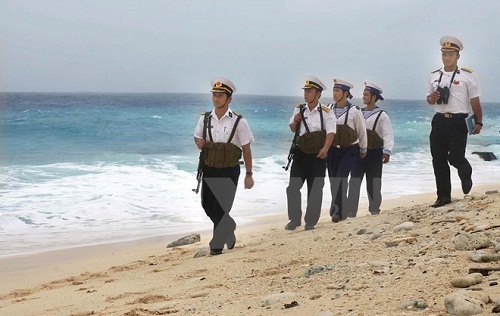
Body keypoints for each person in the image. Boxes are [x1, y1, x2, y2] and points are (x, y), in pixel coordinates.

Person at [193, 77, 255, 255]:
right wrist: (198, 142)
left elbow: (246, 149)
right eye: (214, 95)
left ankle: (217, 245)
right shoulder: (204, 119)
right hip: (209, 168)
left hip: (229, 170)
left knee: (222, 207)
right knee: (207, 205)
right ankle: (229, 226)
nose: (216, 98)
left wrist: (249, 174)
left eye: (220, 95)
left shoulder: (239, 121)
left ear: (229, 99)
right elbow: (197, 137)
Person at [426, 36, 483, 208]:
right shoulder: (435, 75)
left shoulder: (468, 76)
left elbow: (475, 102)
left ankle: (465, 171)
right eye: (444, 54)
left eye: (450, 54)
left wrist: (479, 122)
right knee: (438, 159)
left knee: (456, 157)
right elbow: (429, 100)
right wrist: (432, 97)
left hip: (458, 122)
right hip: (439, 121)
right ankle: (443, 196)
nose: (447, 57)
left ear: (457, 56)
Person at [285, 75, 336, 231]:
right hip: (300, 154)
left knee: (315, 189)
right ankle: (294, 219)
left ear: (318, 94)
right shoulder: (299, 108)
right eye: (305, 91)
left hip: (318, 156)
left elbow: (331, 133)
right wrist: (295, 121)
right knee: (293, 187)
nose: (306, 94)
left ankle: (311, 222)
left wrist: (325, 149)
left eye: (310, 91)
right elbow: (292, 128)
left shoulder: (327, 112)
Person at [347, 82, 394, 217]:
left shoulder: (382, 115)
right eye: (363, 94)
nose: (364, 97)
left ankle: (374, 209)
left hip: (375, 153)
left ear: (374, 97)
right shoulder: (358, 113)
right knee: (354, 181)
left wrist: (387, 152)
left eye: (366, 95)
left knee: (373, 183)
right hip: (359, 153)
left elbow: (387, 134)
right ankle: (351, 211)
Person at [327, 79, 367, 222]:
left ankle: (337, 211)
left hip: (349, 149)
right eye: (333, 90)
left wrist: (363, 149)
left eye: (337, 91)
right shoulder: (328, 108)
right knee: (333, 180)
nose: (334, 93)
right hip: (332, 150)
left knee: (341, 178)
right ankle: (339, 209)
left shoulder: (354, 111)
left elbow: (361, 131)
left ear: (345, 94)